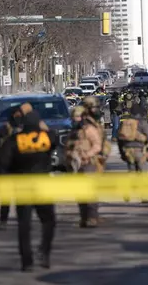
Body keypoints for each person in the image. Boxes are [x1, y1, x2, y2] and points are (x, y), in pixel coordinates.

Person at [0, 103, 57, 271]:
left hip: (22, 186)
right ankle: (44, 252)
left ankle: (27, 261)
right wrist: (43, 127)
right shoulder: (46, 138)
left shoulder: (15, 140)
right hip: (43, 186)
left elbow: (3, 161)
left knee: (24, 225)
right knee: (49, 221)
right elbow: (55, 139)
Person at [65, 96, 109, 228]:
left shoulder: (89, 129)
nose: (75, 120)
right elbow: (67, 146)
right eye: (73, 117)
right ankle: (84, 217)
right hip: (77, 166)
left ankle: (92, 218)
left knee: (90, 193)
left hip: (89, 163)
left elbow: (97, 145)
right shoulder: (73, 132)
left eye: (77, 117)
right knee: (80, 194)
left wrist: (86, 155)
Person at [0, 105, 27, 231]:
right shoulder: (25, 130)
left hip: (8, 169)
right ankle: (21, 221)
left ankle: (4, 222)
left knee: (7, 198)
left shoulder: (4, 129)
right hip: (19, 168)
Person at [118, 103, 148, 173]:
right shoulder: (142, 123)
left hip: (128, 152)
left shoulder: (125, 123)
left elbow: (119, 139)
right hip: (140, 151)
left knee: (132, 174)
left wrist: (122, 154)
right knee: (143, 175)